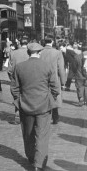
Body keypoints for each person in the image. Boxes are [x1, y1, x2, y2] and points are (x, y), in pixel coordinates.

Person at [10, 42, 60, 171]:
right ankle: (39, 164)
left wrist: (18, 100)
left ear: (28, 53)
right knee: (42, 136)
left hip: (25, 105)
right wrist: (52, 98)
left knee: (28, 134)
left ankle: (31, 158)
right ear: (40, 52)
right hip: (44, 106)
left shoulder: (20, 67)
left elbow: (14, 88)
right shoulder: (47, 66)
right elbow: (55, 86)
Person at [39, 37, 66, 123]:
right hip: (54, 78)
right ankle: (55, 117)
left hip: (41, 78)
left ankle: (43, 116)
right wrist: (63, 82)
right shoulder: (57, 53)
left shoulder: (40, 51)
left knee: (43, 96)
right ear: (52, 41)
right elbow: (61, 69)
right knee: (54, 96)